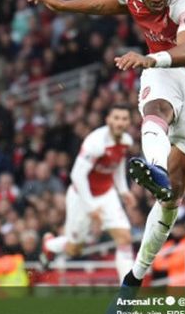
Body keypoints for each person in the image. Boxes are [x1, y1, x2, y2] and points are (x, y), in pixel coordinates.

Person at [25, 0, 185, 288]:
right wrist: (62, 5)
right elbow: (115, 3)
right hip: (164, 72)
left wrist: (150, 58)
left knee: (173, 196)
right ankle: (156, 170)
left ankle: (135, 276)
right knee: (155, 109)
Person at [41, 104, 136, 283]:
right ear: (108, 120)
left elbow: (117, 165)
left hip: (107, 194)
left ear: (129, 122)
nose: (120, 123)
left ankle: (127, 293)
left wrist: (123, 190)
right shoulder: (95, 143)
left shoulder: (126, 141)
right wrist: (91, 206)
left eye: (124, 119)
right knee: (74, 249)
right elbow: (76, 175)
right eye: (116, 118)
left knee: (124, 238)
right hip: (81, 197)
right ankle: (50, 245)